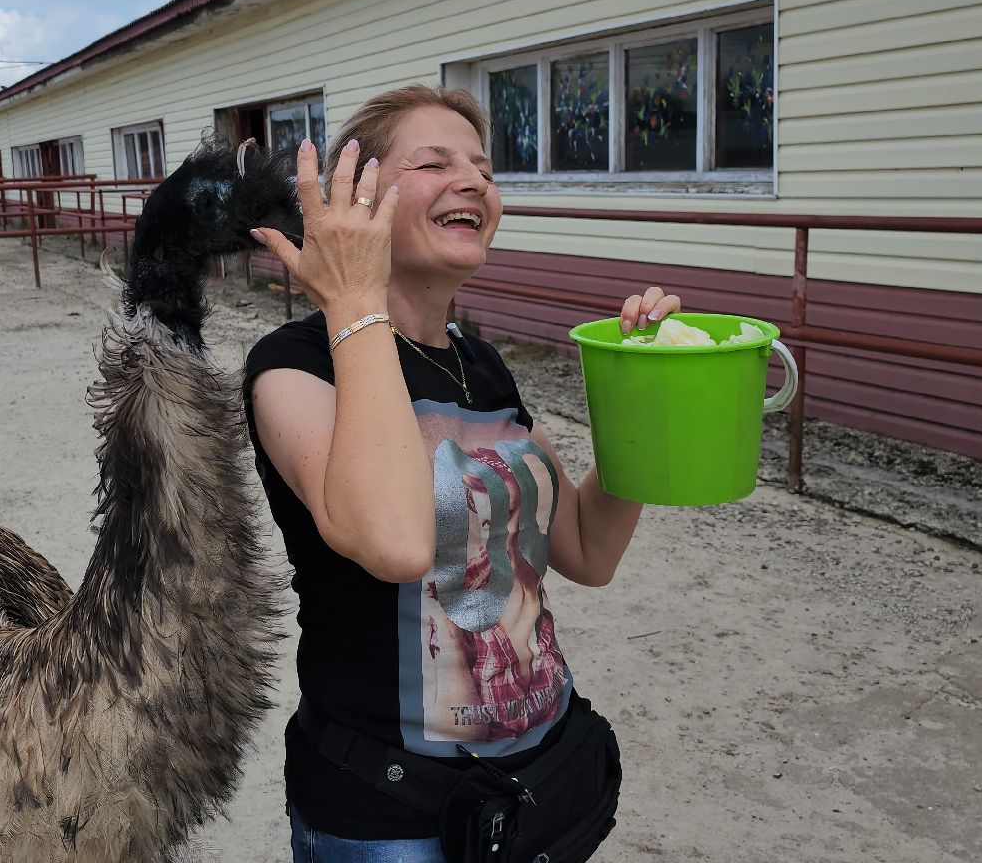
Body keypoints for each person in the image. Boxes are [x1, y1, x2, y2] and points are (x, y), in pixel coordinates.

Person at [246, 84, 681, 862]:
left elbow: (588, 550)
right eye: (435, 162)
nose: (475, 181)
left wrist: (642, 391)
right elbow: (397, 543)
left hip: (530, 789)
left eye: (483, 167)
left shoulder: (481, 365)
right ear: (362, 196)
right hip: (390, 814)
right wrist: (353, 298)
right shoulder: (292, 366)